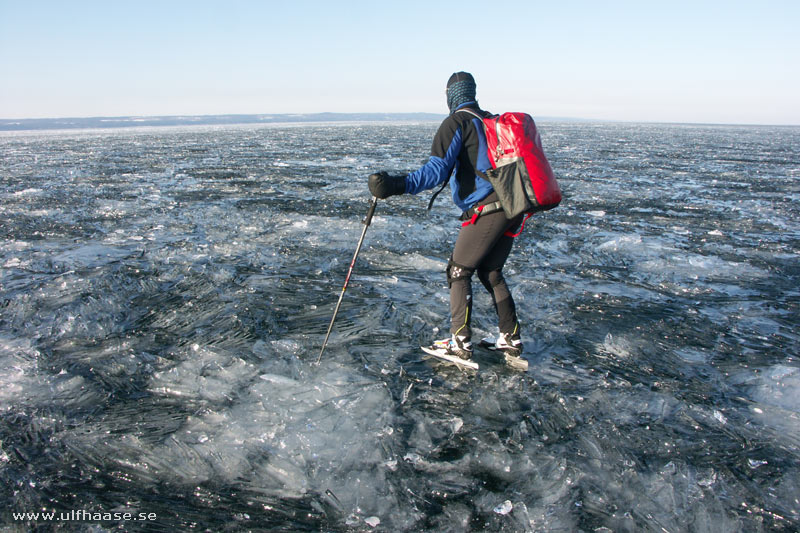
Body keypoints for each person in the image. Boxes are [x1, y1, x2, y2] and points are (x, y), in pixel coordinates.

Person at [368, 71, 524, 361]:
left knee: (458, 270)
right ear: (473, 92)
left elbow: (435, 172)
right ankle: (510, 338)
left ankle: (459, 342)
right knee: (490, 271)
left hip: (488, 208)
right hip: (514, 206)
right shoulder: (491, 121)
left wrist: (394, 185)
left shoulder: (457, 122)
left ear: (450, 95)